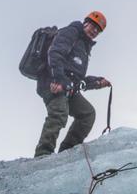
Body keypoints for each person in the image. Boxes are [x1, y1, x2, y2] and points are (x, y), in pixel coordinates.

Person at [34, 11, 111, 158]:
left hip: (68, 88)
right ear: (85, 23)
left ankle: (67, 152)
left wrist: (98, 82)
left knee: (87, 113)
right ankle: (42, 154)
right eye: (93, 26)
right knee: (59, 113)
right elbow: (55, 53)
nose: (94, 31)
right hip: (52, 82)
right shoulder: (72, 32)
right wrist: (58, 80)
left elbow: (77, 80)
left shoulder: (84, 47)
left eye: (98, 30)